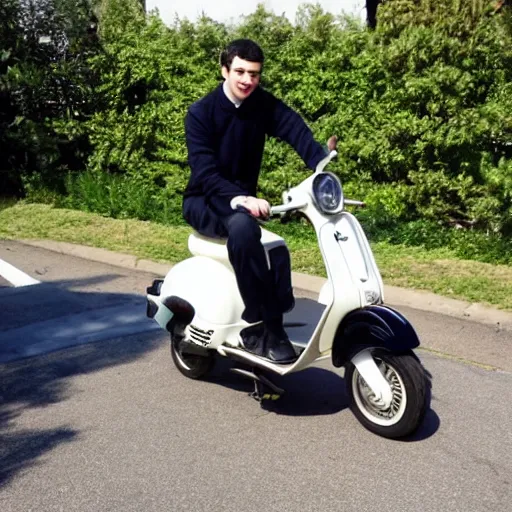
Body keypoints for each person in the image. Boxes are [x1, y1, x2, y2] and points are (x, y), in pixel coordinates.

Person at [183, 39, 336, 364]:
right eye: (239, 71)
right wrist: (240, 199)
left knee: (276, 248)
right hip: (205, 200)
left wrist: (319, 158)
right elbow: (205, 172)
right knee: (242, 228)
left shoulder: (259, 104)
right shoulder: (201, 113)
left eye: (253, 74)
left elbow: (291, 125)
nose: (247, 80)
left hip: (242, 201)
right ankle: (262, 326)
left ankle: (275, 319)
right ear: (224, 70)